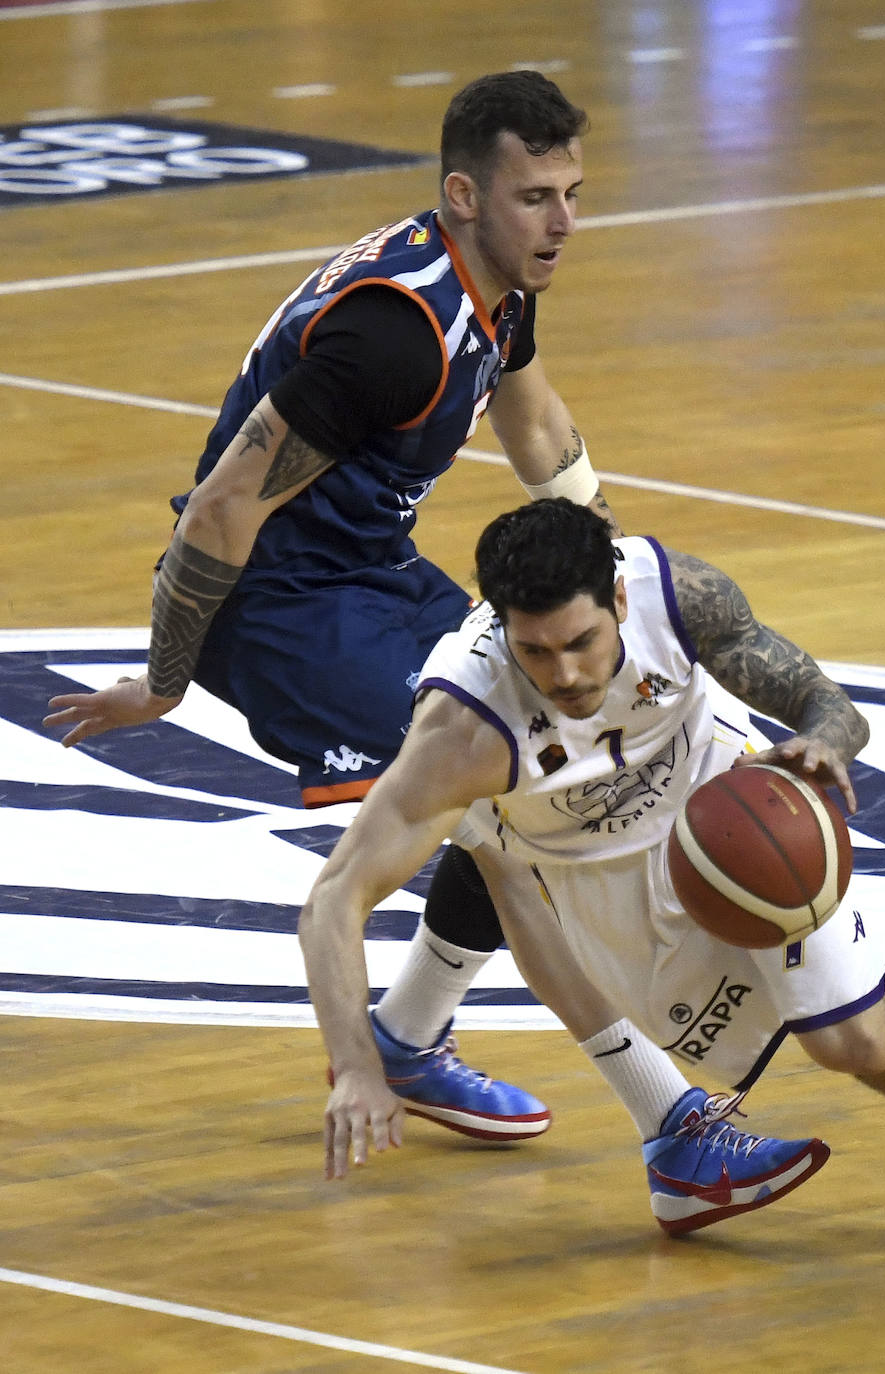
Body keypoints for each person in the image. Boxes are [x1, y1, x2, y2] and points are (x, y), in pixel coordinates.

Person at [38, 70, 774, 1169]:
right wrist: (168, 677)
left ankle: (413, 1037)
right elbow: (226, 508)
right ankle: (670, 1127)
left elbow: (532, 417)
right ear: (465, 194)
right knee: (520, 813)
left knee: (543, 764)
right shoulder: (395, 334)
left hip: (367, 573)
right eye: (537, 197)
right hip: (280, 610)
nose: (564, 221)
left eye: (573, 192)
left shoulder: (496, 281)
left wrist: (603, 565)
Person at [298, 499, 885, 1262]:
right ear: (500, 629)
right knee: (748, 1030)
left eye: (580, 643)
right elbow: (337, 897)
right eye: (536, 652)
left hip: (732, 816)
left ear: (617, 598)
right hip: (595, 873)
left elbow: (830, 705)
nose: (564, 675)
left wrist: (825, 744)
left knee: (855, 1044)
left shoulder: (679, 597)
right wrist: (354, 1070)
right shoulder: (463, 731)